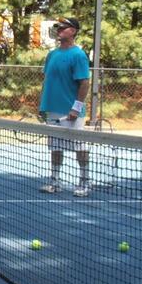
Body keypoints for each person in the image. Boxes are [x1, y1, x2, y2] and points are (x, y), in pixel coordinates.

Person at [38, 17, 91, 197]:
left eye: (63, 27)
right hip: (52, 109)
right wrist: (42, 106)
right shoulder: (52, 55)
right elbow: (47, 81)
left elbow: (84, 83)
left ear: (73, 31)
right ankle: (55, 181)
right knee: (55, 147)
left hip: (71, 111)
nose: (59, 29)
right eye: (58, 27)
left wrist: (75, 108)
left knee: (79, 147)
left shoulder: (78, 55)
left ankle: (84, 182)